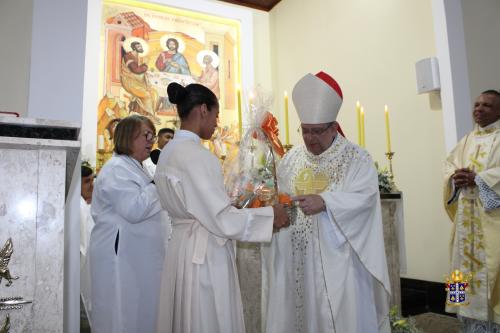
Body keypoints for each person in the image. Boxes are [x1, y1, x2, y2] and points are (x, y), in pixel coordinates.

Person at [154, 82, 289, 333]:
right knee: (205, 318)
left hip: (181, 246)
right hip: (203, 254)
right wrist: (270, 216)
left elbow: (201, 204)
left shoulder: (168, 151)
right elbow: (221, 219)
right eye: (216, 115)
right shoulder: (197, 156)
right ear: (203, 110)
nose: (217, 123)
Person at [262, 72, 391, 333]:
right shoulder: (291, 159)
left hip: (339, 264)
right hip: (295, 258)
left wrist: (327, 202)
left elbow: (365, 199)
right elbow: (282, 198)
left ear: (333, 127)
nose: (310, 139)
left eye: (317, 131)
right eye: (305, 131)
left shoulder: (356, 158)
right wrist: (271, 204)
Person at [89, 115, 167, 333]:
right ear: (126, 137)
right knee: (122, 316)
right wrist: (158, 181)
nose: (151, 140)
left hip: (137, 259)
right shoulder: (116, 168)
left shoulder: (138, 167)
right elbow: (134, 209)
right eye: (146, 135)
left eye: (152, 135)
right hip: (121, 259)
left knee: (140, 313)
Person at [443, 89, 500, 332]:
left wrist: (479, 179)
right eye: (476, 104)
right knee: (458, 268)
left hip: (491, 224)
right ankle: (465, 324)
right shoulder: (464, 141)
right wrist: (454, 179)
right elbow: (448, 168)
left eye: (486, 105)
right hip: (466, 224)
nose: (478, 108)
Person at [121, 40, 160, 118]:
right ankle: (147, 115)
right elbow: (136, 70)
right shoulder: (128, 56)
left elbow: (141, 70)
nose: (141, 47)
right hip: (129, 81)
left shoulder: (139, 57)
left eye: (141, 46)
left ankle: (151, 114)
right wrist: (145, 65)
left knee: (154, 93)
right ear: (134, 48)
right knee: (147, 95)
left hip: (139, 81)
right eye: (138, 46)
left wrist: (147, 68)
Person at [80, 163, 95, 325]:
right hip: (84, 270)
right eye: (86, 182)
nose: (91, 186)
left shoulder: (85, 204)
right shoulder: (78, 205)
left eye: (92, 181)